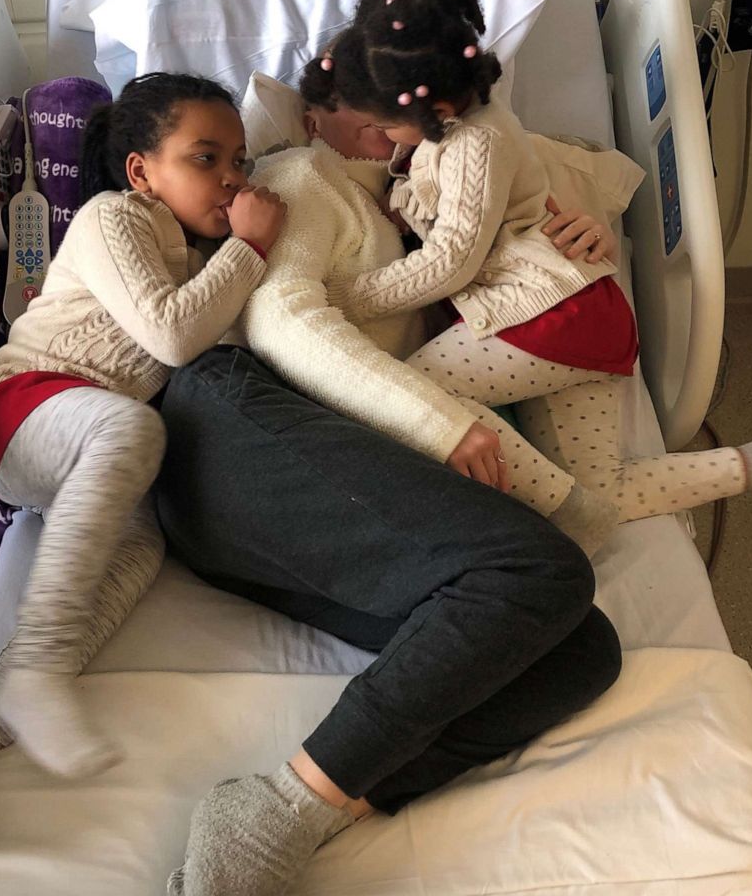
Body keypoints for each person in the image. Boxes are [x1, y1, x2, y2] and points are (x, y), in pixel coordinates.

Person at [161, 74, 623, 892]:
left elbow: (504, 244)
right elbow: (284, 321)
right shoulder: (302, 176)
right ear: (312, 119)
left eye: (405, 106)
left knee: (579, 650)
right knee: (540, 569)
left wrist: (575, 236)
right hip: (236, 422)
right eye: (364, 98)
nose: (390, 118)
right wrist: (440, 427)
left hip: (313, 496)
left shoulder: (430, 198)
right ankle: (279, 808)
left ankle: (337, 803)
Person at [0, 72, 286, 855]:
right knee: (130, 434)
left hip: (90, 443)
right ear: (142, 170)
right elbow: (171, 337)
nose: (233, 177)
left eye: (240, 159)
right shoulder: (114, 218)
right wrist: (248, 248)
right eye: (205, 158)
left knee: (140, 553)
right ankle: (38, 676)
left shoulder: (203, 256)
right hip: (28, 404)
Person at [304, 0, 752, 529]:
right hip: (580, 314)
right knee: (607, 488)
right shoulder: (450, 138)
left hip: (551, 316)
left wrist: (336, 299)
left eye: (385, 124)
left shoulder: (475, 143)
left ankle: (563, 516)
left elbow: (449, 263)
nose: (384, 137)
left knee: (415, 399)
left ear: (434, 107)